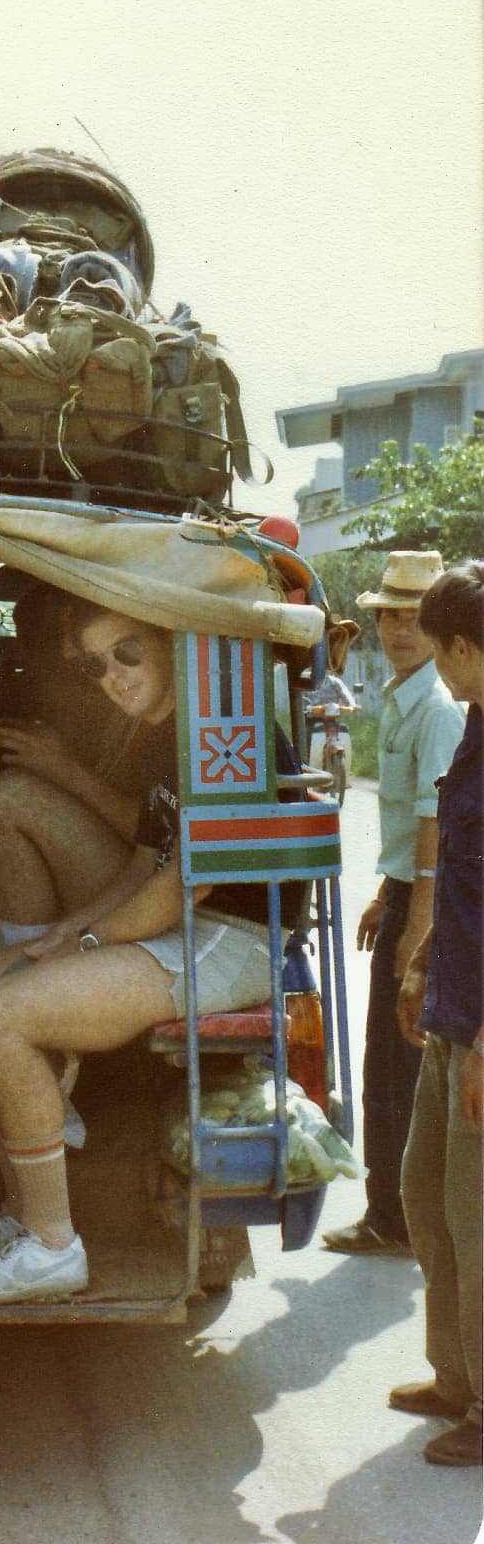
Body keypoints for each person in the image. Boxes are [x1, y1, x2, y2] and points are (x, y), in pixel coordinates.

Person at [0, 603, 301, 1304]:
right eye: (96, 664)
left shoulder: (226, 733)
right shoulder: (161, 733)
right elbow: (138, 866)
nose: (111, 676)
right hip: (186, 920)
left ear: (171, 646)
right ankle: (24, 1212)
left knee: (4, 1013)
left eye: (126, 653)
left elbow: (172, 894)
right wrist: (67, 931)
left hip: (235, 938)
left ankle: (52, 1250)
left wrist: (86, 944)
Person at [323, 551, 465, 1256]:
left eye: (414, 619)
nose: (400, 631)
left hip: (428, 896)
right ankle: (394, 1210)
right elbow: (411, 819)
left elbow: (441, 823)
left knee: (398, 1066)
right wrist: (388, 892)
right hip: (411, 890)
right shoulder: (409, 693)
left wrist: (418, 924)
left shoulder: (435, 706)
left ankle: (397, 1217)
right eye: (390, 617)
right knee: (388, 1063)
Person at [392, 563, 483, 1467]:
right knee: (426, 1194)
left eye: (443, 653)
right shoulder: (476, 726)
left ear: (462, 644)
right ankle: (455, 1376)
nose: (440, 672)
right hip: (457, 1000)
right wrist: (426, 955)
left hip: (483, 1026)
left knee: (477, 1216)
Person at [0, 581, 154, 953]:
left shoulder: (144, 696)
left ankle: (33, 961)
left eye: (66, 634)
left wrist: (64, 770)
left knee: (10, 799)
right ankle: (6, 948)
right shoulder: (90, 689)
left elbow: (163, 840)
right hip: (122, 857)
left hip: (148, 876)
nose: (62, 650)